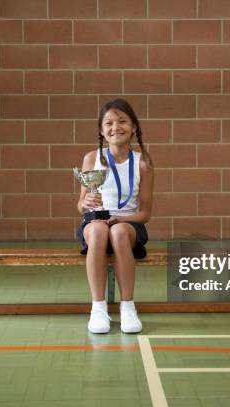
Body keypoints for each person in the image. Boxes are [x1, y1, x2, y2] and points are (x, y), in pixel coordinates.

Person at [76, 98, 154, 334]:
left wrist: (122, 220)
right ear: (101, 129)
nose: (115, 127)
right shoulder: (91, 158)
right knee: (100, 229)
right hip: (96, 223)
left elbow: (145, 213)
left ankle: (127, 307)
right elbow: (80, 205)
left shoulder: (143, 163)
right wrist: (85, 202)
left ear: (134, 127)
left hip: (128, 224)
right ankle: (98, 308)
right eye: (108, 122)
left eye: (122, 121)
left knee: (118, 232)